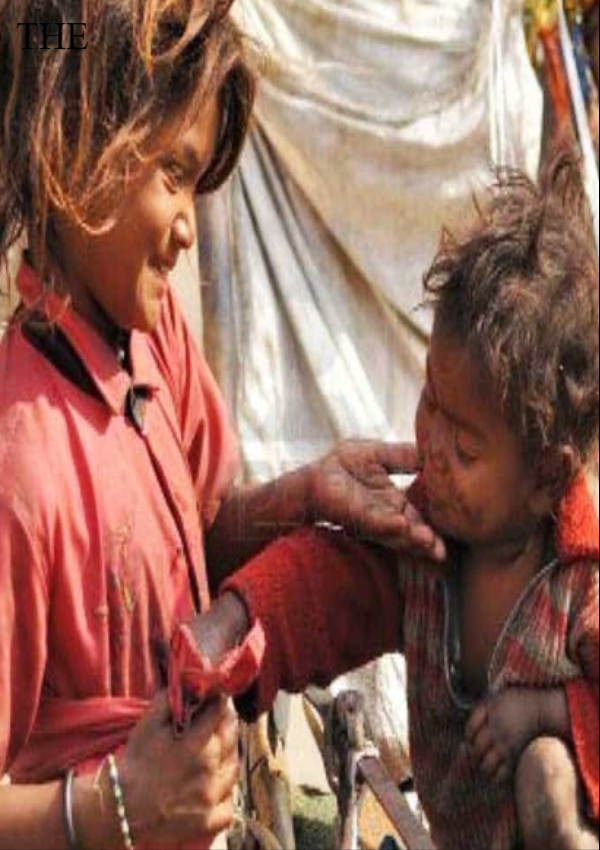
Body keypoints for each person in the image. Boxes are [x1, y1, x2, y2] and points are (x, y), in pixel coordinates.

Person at [0, 2, 445, 848]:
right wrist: (109, 808)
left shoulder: (150, 340)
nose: (185, 229)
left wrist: (303, 496)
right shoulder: (21, 463)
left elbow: (199, 543)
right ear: (76, 140)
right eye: (172, 173)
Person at [201, 154, 600, 849]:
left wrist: (547, 714)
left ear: (546, 477)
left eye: (465, 447)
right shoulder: (424, 551)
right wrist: (232, 621)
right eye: (429, 402)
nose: (432, 446)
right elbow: (323, 586)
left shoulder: (581, 586)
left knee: (546, 771)